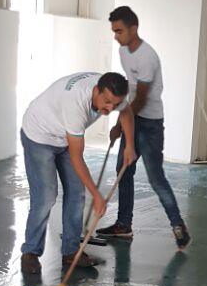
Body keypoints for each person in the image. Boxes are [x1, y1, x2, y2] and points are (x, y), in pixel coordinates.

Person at [20, 70, 135, 275]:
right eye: (107, 102)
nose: (110, 108)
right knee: (46, 196)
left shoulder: (113, 91)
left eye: (115, 104)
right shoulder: (75, 104)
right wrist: (97, 195)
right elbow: (76, 158)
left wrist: (129, 146)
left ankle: (71, 251)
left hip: (64, 136)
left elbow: (126, 112)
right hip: (39, 135)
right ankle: (30, 252)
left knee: (76, 192)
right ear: (96, 91)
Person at [98, 6, 191, 250]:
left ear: (134, 29)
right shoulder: (123, 51)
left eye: (119, 31)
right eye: (114, 31)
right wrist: (119, 125)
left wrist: (121, 125)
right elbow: (127, 93)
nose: (115, 36)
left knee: (155, 177)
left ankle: (178, 225)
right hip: (133, 118)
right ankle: (123, 225)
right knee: (123, 170)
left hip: (149, 125)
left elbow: (139, 99)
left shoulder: (147, 57)